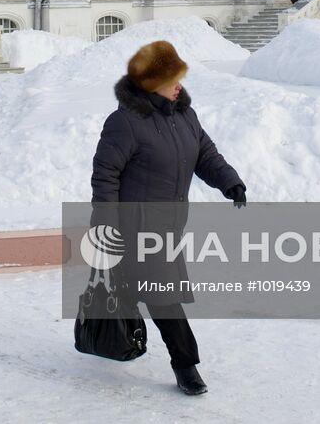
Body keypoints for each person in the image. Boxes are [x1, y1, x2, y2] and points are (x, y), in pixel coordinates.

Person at [90, 39, 247, 397]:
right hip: (135, 227)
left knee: (132, 289)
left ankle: (115, 338)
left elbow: (205, 154)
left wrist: (230, 182)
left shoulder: (184, 116)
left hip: (169, 224)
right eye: (173, 78)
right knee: (163, 295)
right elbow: (105, 175)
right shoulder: (125, 123)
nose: (180, 85)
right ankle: (185, 366)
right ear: (151, 83)